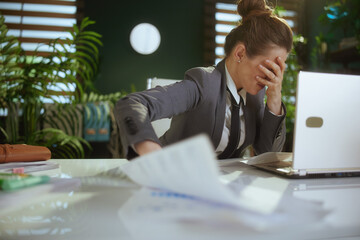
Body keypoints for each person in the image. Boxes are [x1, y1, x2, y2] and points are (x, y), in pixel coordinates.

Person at [115, 0, 293, 159]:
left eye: (279, 68)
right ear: (240, 53)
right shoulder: (204, 83)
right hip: (170, 175)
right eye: (269, 67)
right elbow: (131, 103)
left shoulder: (254, 95)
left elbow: (268, 154)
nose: (273, 76)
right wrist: (148, 146)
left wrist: (275, 98)